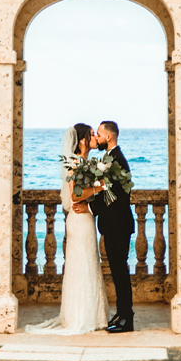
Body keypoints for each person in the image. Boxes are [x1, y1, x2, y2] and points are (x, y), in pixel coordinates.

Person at [23, 123, 107, 335]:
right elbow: (76, 195)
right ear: (82, 140)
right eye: (90, 135)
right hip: (79, 220)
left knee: (89, 264)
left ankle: (93, 314)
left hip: (86, 218)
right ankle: (79, 316)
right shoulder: (74, 162)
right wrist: (99, 186)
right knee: (80, 265)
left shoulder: (86, 162)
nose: (94, 138)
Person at [86, 120, 135, 333]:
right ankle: (121, 313)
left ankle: (127, 318)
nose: (96, 138)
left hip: (119, 226)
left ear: (109, 137)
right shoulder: (110, 158)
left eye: (98, 134)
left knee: (120, 272)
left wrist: (90, 207)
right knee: (116, 271)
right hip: (114, 226)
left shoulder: (117, 160)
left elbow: (115, 198)